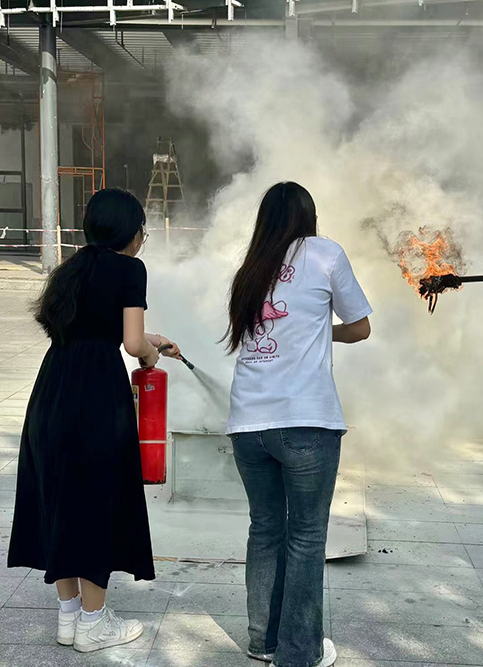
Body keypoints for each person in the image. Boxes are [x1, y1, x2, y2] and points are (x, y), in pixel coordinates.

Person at [8, 188, 181, 653]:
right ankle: (94, 623)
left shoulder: (71, 268)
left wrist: (152, 339)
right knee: (97, 498)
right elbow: (131, 343)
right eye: (142, 229)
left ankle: (69, 617)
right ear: (130, 231)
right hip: (97, 394)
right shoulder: (130, 269)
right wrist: (150, 356)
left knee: (60, 496)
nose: (142, 237)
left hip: (52, 390)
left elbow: (105, 329)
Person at [224, 182, 372, 667]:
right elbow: (360, 327)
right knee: (306, 537)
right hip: (306, 421)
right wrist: (320, 330)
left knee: (265, 529)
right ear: (309, 217)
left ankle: (263, 641)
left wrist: (307, 329)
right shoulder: (326, 254)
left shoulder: (249, 269)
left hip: (247, 423)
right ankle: (300, 653)